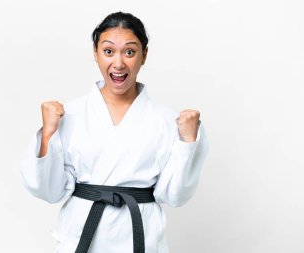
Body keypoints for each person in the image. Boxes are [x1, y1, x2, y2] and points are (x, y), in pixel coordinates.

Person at [20, 11, 209, 253]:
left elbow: (175, 196)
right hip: (82, 237)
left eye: (129, 52)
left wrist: (188, 142)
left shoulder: (167, 121)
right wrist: (47, 134)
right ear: (95, 52)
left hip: (140, 238)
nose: (118, 64)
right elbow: (48, 190)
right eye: (109, 51)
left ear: (144, 55)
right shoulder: (70, 115)